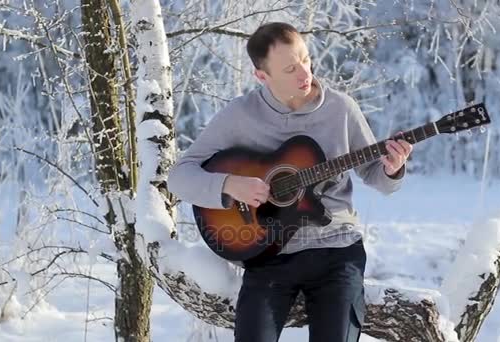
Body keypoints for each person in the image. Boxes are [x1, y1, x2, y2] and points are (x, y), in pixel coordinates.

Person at [168, 22, 412, 342]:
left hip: (336, 250)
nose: (305, 73)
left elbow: (377, 178)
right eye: (290, 68)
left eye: (306, 59)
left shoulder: (340, 109)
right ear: (262, 76)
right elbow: (179, 177)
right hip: (267, 254)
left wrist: (393, 169)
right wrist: (228, 185)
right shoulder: (240, 115)